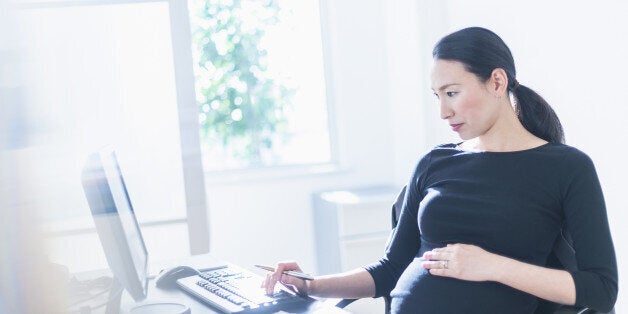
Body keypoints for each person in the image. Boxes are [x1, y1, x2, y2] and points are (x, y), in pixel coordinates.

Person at [262, 27, 618, 313]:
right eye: (437, 96)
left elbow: (601, 289)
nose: (443, 113)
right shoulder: (436, 161)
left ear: (496, 82)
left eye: (452, 93)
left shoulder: (567, 167)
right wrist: (309, 284)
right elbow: (389, 270)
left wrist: (491, 265)